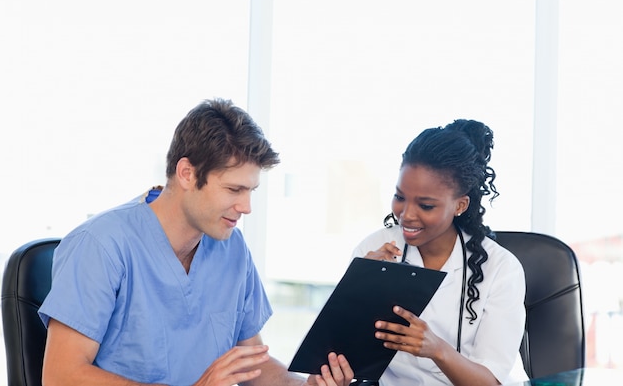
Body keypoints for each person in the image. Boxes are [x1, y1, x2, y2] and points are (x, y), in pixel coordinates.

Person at [38, 98, 354, 386]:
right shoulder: (101, 245)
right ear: (187, 174)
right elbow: (61, 376)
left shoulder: (232, 248)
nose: (246, 207)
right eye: (233, 190)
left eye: (250, 191)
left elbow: (252, 363)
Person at [351, 119, 528, 386]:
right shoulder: (373, 249)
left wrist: (437, 349)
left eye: (426, 205)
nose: (406, 215)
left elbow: (490, 382)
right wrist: (357, 285)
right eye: (400, 197)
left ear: (460, 205)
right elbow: (338, 351)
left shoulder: (501, 268)